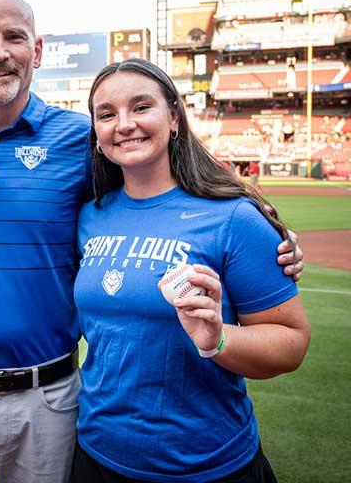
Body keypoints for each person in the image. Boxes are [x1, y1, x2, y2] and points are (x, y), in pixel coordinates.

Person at [0, 0, 305, 483]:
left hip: (50, 395)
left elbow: (163, 194)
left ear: (37, 50)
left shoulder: (82, 138)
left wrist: (269, 231)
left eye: (14, 36)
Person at [72, 59, 311, 482]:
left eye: (141, 107)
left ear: (175, 118)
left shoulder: (233, 217)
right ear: (96, 133)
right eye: (107, 114)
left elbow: (292, 342)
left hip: (208, 464)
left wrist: (219, 338)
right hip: (96, 456)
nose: (124, 124)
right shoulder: (89, 215)